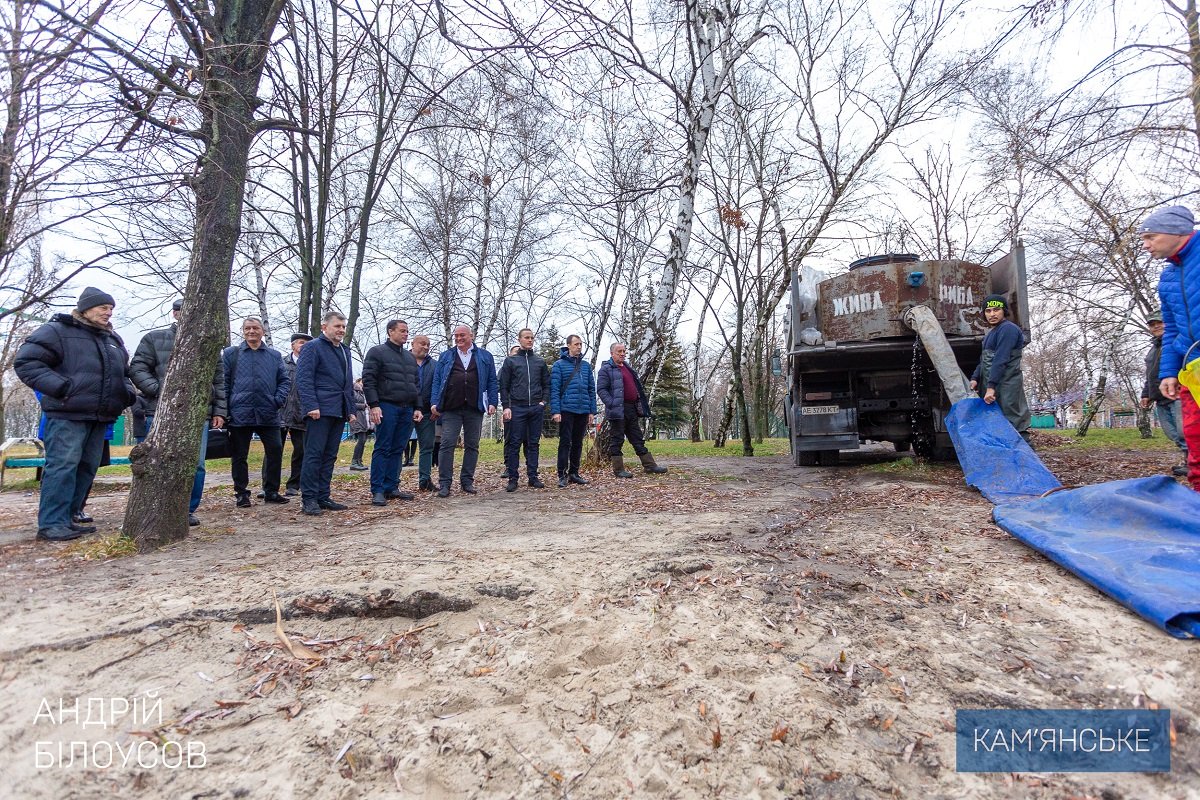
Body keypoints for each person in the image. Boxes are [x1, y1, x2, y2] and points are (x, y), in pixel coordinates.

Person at [14, 287, 137, 541]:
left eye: (111, 308)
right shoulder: (57, 331)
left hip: (100, 416)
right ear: (86, 308)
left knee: (87, 468)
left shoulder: (112, 339)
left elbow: (124, 373)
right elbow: (27, 362)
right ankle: (51, 523)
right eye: (103, 307)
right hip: (67, 413)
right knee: (62, 466)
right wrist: (61, 387)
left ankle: (69, 518)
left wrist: (126, 394)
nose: (108, 312)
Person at [129, 297, 227, 527]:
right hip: (161, 411)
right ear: (175, 314)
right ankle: (154, 507)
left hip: (200, 413)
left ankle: (187, 509)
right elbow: (138, 368)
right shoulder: (154, 339)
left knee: (197, 464)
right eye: (185, 311)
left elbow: (220, 380)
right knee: (158, 461)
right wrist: (159, 391)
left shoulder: (210, 344)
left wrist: (220, 411)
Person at [1140, 204, 1200, 490]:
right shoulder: (1167, 277)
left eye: (1150, 237)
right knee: (1194, 437)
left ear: (1175, 231)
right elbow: (1173, 328)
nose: (1146, 245)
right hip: (1191, 369)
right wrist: (1169, 372)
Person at [222, 317, 290, 507]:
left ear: (263, 331)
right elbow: (224, 382)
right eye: (247, 328)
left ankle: (271, 491)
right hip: (239, 413)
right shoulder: (231, 354)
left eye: (255, 328)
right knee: (239, 455)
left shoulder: (274, 356)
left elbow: (284, 381)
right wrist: (226, 409)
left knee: (275, 450)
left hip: (268, 413)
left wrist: (277, 400)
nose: (251, 331)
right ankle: (242, 494)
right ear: (243, 331)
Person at [296, 311, 355, 515]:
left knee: (330, 455)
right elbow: (304, 379)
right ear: (324, 327)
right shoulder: (312, 347)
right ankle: (309, 498)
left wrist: (351, 409)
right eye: (337, 326)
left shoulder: (344, 350)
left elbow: (347, 382)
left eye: (342, 326)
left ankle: (323, 496)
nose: (341, 330)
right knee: (314, 454)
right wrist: (311, 405)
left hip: (338, 410)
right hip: (319, 410)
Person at [430, 325, 497, 497]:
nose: (459, 339)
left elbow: (491, 381)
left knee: (472, 445)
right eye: (456, 336)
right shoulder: (446, 356)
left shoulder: (485, 356)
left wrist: (493, 402)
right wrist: (434, 403)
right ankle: (445, 483)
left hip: (475, 407)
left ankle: (467, 481)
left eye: (462, 335)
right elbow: (437, 381)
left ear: (471, 336)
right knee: (446, 444)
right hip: (451, 407)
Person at [361, 320, 422, 505]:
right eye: (402, 331)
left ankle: (391, 486)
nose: (406, 334)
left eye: (407, 331)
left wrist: (418, 407)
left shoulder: (410, 357)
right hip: (386, 406)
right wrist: (374, 404)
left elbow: (416, 385)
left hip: (407, 408)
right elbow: (369, 379)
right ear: (390, 331)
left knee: (398, 448)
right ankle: (377, 489)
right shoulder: (377, 352)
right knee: (383, 447)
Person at [596, 342, 668, 478]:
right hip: (617, 410)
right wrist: (611, 403)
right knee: (617, 440)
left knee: (637, 438)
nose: (622, 354)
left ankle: (650, 466)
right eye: (619, 351)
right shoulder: (606, 369)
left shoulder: (627, 367)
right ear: (612, 353)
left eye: (624, 351)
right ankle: (618, 470)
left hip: (631, 409)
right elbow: (601, 389)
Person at [969, 294, 1031, 440]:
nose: (992, 314)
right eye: (988, 311)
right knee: (998, 425)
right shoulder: (991, 333)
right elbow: (984, 360)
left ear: (1004, 311)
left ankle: (1025, 460)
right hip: (995, 385)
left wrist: (991, 387)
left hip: (1007, 385)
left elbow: (1001, 359)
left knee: (1014, 424)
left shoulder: (1008, 329)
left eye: (996, 310)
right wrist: (975, 378)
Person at [498, 328, 551, 492]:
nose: (530, 340)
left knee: (533, 444)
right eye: (526, 337)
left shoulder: (539, 362)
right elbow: (504, 386)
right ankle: (513, 478)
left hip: (535, 407)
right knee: (514, 444)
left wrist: (543, 402)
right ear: (519, 339)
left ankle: (533, 477)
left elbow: (546, 384)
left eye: (532, 338)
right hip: (517, 407)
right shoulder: (511, 361)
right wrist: (506, 406)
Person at [1141, 309, 1189, 477]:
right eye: (1152, 324)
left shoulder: (1178, 343)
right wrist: (1145, 394)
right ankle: (1190, 460)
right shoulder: (1152, 350)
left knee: (1185, 431)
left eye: (1159, 323)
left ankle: (1192, 463)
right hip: (1159, 397)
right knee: (1172, 433)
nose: (1156, 327)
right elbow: (1150, 374)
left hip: (1178, 394)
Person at [550, 334, 597, 488]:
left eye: (580, 344)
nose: (579, 347)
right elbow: (555, 390)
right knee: (565, 442)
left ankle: (574, 473)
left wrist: (592, 411)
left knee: (578, 443)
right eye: (576, 344)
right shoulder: (559, 365)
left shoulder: (585, 366)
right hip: (566, 409)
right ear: (568, 346)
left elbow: (591, 389)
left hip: (582, 409)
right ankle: (561, 474)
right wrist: (556, 411)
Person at [279, 333, 312, 495]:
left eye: (307, 343)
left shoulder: (312, 365)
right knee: (274, 450)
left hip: (302, 413)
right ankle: (269, 486)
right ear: (293, 345)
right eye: (301, 342)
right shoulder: (281, 363)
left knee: (301, 450)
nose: (303, 345)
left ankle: (293, 485)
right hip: (280, 413)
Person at [411, 334, 438, 491]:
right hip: (407, 409)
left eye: (428, 344)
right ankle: (393, 481)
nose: (426, 347)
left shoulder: (435, 365)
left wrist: (437, 407)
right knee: (399, 446)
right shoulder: (404, 361)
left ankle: (425, 480)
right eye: (422, 344)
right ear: (413, 344)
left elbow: (440, 387)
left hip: (428, 412)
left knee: (427, 446)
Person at [349, 378, 371, 470]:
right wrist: (364, 406)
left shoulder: (363, 393)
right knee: (361, 440)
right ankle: (354, 462)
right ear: (358, 382)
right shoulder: (353, 391)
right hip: (357, 418)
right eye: (362, 382)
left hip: (363, 419)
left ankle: (359, 461)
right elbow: (351, 404)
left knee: (363, 440)